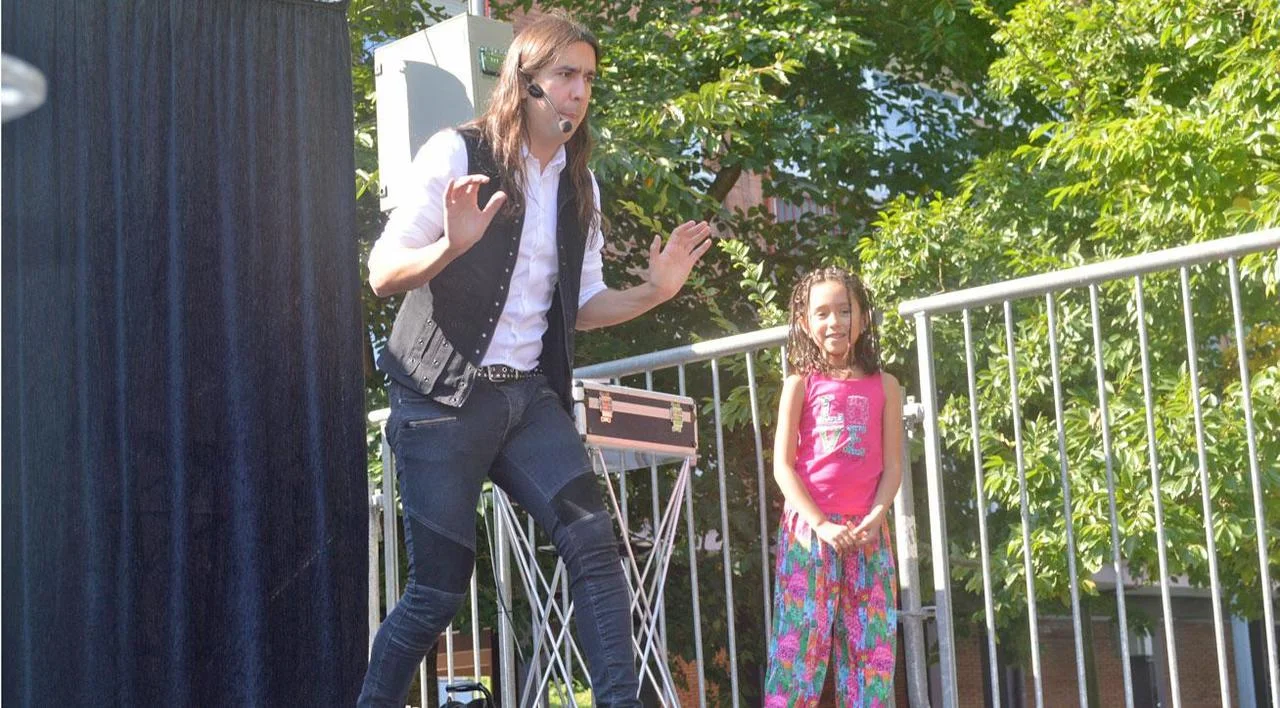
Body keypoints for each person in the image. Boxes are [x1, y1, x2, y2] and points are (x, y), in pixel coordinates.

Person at [359, 12, 712, 708]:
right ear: (525, 82)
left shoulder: (581, 187)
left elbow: (580, 306)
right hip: (441, 399)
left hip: (526, 399)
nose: (580, 91)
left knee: (595, 544)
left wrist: (655, 292)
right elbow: (380, 274)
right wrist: (450, 246)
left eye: (589, 78)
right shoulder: (456, 153)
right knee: (436, 592)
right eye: (565, 74)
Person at [763, 267, 902, 707]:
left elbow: (893, 466)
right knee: (798, 650)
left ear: (862, 317)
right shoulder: (799, 385)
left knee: (871, 655)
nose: (834, 322)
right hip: (810, 534)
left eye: (845, 311)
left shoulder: (887, 386)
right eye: (822, 313)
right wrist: (821, 524)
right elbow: (783, 467)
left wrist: (877, 516)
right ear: (805, 322)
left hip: (868, 535)